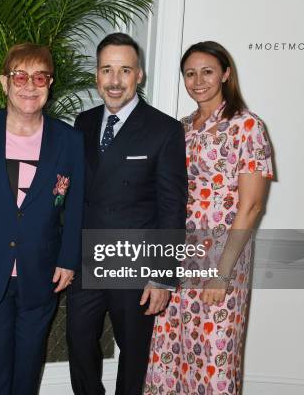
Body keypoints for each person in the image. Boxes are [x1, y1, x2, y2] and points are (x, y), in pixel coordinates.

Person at [144, 41, 273, 395]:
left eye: (207, 71)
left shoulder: (247, 126)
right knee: (171, 353)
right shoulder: (180, 128)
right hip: (178, 258)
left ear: (225, 74)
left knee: (215, 358)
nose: (198, 80)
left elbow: (251, 206)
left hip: (221, 257)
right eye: (190, 73)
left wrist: (222, 272)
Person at [66, 32, 188, 395]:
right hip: (87, 255)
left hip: (134, 261)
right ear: (96, 76)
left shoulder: (164, 129)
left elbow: (171, 205)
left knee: (133, 353)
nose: (115, 80)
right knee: (78, 340)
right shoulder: (83, 123)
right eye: (107, 70)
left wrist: (163, 276)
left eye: (124, 70)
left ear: (139, 76)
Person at [0, 42, 84, 395]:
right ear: (4, 83)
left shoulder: (69, 140)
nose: (30, 85)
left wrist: (68, 259)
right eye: (20, 76)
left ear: (50, 84)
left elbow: (75, 205)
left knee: (29, 364)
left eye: (40, 77)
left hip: (41, 271)